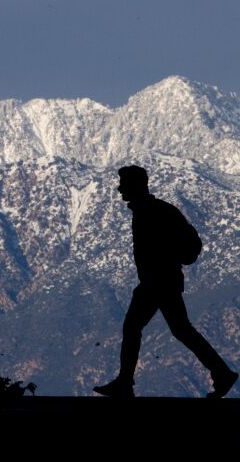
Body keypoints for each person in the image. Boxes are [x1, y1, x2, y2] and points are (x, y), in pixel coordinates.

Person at [93, 165, 237, 398]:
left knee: (136, 328)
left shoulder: (153, 212)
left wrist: (164, 265)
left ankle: (125, 383)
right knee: (179, 330)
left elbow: (181, 246)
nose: (120, 189)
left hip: (158, 283)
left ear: (136, 186)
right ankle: (221, 373)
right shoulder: (152, 210)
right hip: (159, 281)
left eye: (124, 184)